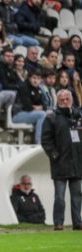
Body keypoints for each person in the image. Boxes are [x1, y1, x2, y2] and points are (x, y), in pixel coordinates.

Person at [41, 89, 82, 231]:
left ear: (71, 99)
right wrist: (54, 155)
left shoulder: (78, 116)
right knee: (59, 197)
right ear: (58, 101)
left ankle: (78, 223)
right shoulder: (51, 117)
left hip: (77, 163)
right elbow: (46, 140)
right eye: (62, 99)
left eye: (67, 99)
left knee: (77, 196)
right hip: (60, 163)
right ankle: (58, 223)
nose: (65, 101)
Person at [12, 70, 47, 144]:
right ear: (29, 78)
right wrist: (38, 107)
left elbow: (44, 105)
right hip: (18, 114)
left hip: (30, 114)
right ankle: (39, 142)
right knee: (42, 114)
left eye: (38, 79)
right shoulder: (23, 87)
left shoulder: (39, 89)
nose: (36, 81)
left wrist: (38, 107)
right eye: (34, 78)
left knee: (49, 114)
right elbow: (28, 107)